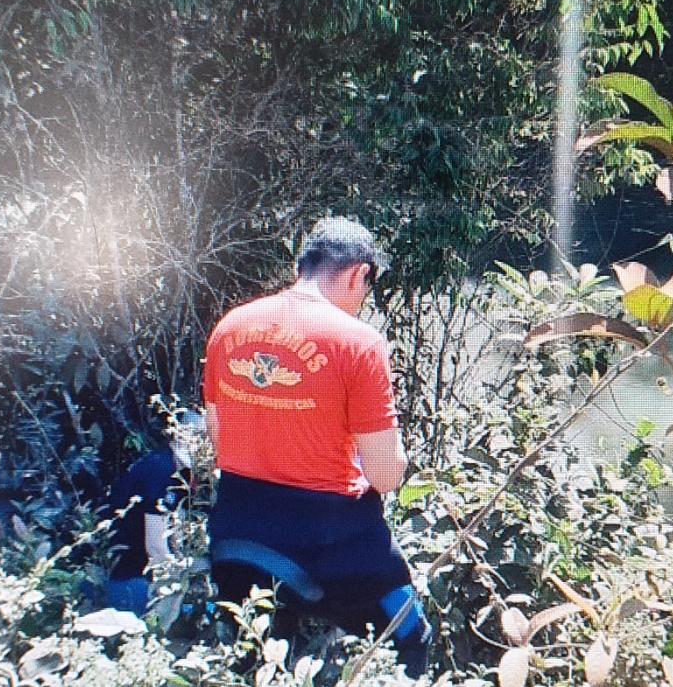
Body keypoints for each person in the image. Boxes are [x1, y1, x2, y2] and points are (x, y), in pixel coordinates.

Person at [201, 216, 432, 677]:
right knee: (411, 637)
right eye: (367, 287)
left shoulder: (230, 328)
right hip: (330, 545)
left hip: (236, 537)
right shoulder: (359, 343)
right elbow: (386, 477)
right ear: (357, 274)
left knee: (256, 663)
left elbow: (219, 438)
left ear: (300, 266)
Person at [101, 422, 192, 615]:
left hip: (138, 572)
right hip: (124, 577)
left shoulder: (178, 472)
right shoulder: (160, 471)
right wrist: (181, 589)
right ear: (179, 437)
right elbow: (156, 547)